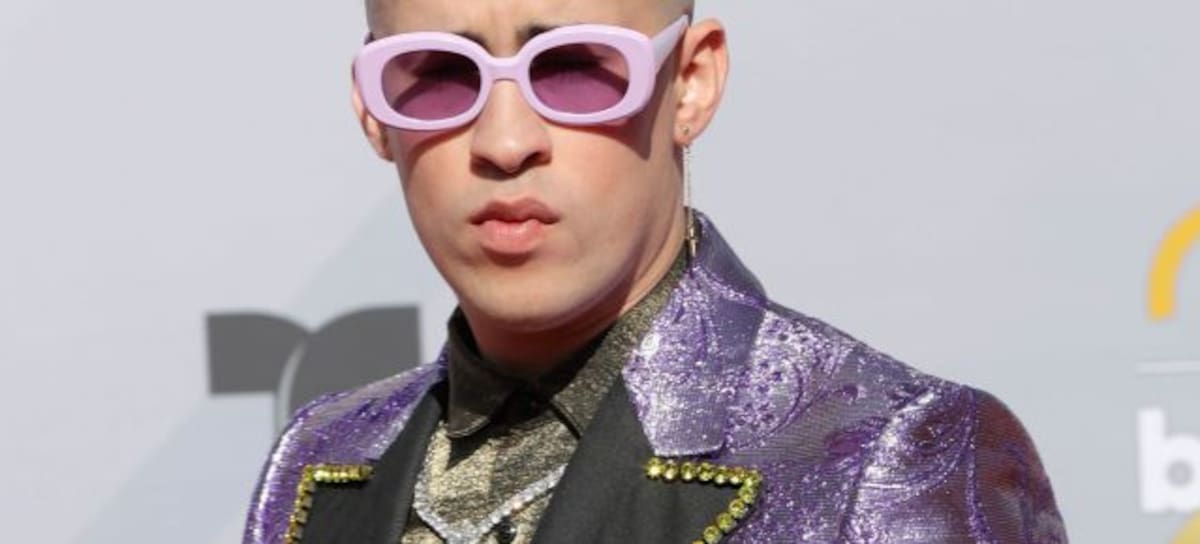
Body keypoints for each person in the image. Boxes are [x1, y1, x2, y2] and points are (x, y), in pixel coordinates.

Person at [243, 0, 1067, 542]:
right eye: (438, 77)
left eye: (573, 68)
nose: (504, 141)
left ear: (691, 82)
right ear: (371, 110)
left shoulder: (884, 454)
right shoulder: (318, 460)